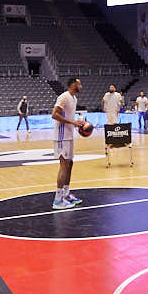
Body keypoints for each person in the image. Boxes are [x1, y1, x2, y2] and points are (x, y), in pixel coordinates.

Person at [50, 78, 89, 210]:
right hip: (61, 137)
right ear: (73, 85)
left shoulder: (74, 99)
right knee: (64, 165)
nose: (81, 86)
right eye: (79, 83)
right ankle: (57, 200)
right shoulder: (64, 97)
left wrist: (78, 122)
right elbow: (54, 115)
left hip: (69, 135)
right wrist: (72, 122)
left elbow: (68, 116)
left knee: (70, 164)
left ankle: (66, 194)